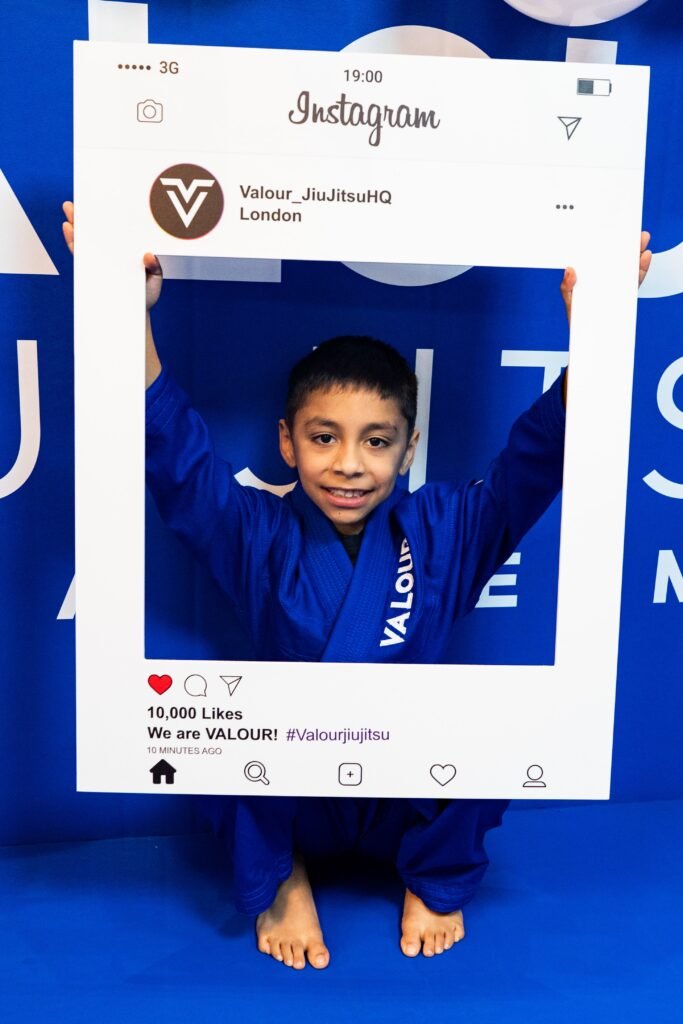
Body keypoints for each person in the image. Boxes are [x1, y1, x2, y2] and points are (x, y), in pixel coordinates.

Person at [62, 202, 651, 970]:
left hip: (410, 794)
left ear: (407, 450)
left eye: (376, 442)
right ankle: (283, 881)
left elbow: (535, 462)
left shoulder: (449, 527)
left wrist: (600, 325)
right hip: (287, 795)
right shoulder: (253, 532)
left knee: (499, 725)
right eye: (323, 437)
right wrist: (122, 307)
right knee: (199, 731)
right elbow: (174, 453)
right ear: (286, 440)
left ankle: (434, 877)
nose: (349, 464)